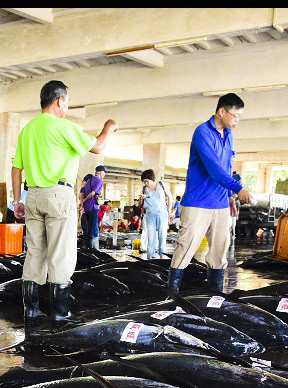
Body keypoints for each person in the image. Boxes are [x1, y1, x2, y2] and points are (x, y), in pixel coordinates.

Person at [12, 79, 117, 328]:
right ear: (60, 100)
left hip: (33, 195)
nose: (67, 106)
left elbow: (16, 169)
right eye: (67, 101)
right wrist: (109, 127)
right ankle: (60, 314)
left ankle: (32, 312)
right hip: (58, 195)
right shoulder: (63, 127)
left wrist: (17, 200)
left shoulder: (27, 130)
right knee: (61, 253)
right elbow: (98, 146)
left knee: (35, 253)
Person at [168, 93, 253, 294]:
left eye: (240, 117)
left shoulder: (229, 136)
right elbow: (214, 168)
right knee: (185, 249)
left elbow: (227, 166)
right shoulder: (202, 133)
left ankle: (214, 298)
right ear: (221, 111)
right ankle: (172, 295)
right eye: (235, 116)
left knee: (219, 253)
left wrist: (230, 196)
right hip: (198, 202)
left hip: (221, 203)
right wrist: (238, 189)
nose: (237, 121)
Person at [141, 169, 171, 259]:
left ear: (152, 178)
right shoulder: (144, 189)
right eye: (144, 181)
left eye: (147, 181)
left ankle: (162, 256)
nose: (146, 183)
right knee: (151, 238)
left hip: (162, 215)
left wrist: (169, 210)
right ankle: (150, 257)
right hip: (150, 215)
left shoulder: (161, 185)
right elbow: (141, 204)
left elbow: (170, 196)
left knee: (162, 236)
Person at [80, 165, 105, 250]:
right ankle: (95, 250)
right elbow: (93, 193)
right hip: (93, 207)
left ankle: (88, 248)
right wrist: (85, 200)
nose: (104, 175)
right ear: (101, 173)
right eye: (104, 173)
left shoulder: (89, 180)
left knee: (88, 228)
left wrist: (83, 203)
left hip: (87, 208)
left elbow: (82, 193)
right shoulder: (99, 181)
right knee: (94, 229)